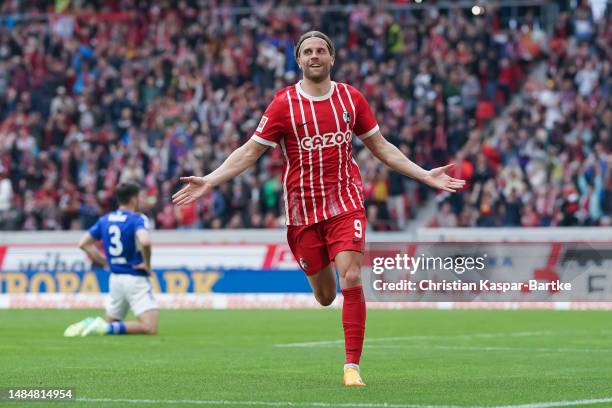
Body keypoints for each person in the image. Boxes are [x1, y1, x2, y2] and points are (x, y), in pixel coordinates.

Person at [172, 31, 465, 386]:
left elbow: (381, 146)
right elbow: (250, 151)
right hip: (302, 214)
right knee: (325, 296)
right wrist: (210, 180)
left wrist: (424, 175)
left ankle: (352, 367)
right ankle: (328, 293)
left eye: (321, 50)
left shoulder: (350, 99)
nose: (314, 56)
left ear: (331, 58)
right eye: (308, 51)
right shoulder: (283, 105)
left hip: (345, 204)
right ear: (299, 60)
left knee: (352, 275)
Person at [64, 182, 159, 337]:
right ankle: (103, 327)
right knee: (150, 327)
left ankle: (93, 325)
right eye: (140, 197)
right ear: (134, 199)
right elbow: (145, 241)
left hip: (115, 278)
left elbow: (83, 244)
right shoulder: (137, 219)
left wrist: (106, 262)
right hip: (134, 278)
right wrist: (147, 265)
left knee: (111, 322)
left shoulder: (105, 219)